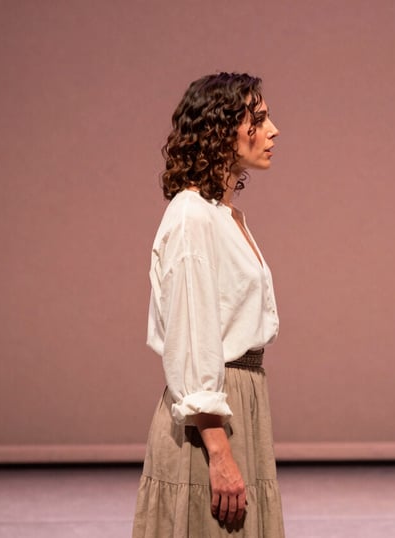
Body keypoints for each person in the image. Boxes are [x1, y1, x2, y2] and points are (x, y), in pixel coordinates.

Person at [132, 72, 284, 537]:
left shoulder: (224, 214)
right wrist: (218, 452)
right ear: (220, 130)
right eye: (257, 119)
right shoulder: (191, 215)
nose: (273, 129)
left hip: (241, 401)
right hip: (210, 416)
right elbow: (193, 340)